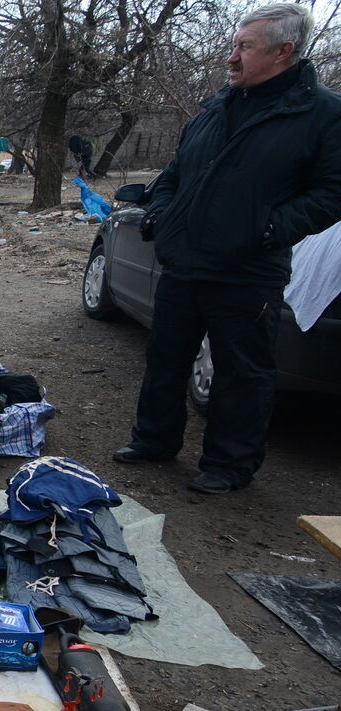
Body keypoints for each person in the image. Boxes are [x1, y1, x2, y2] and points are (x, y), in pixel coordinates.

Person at [117, 3, 341, 494]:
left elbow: (332, 192)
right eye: (234, 46)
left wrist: (268, 229)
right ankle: (154, 440)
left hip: (248, 269)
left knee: (241, 371)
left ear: (285, 51)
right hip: (185, 260)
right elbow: (179, 170)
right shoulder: (219, 104)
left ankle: (229, 464)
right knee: (165, 357)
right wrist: (160, 212)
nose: (232, 58)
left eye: (244, 48)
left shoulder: (322, 114)